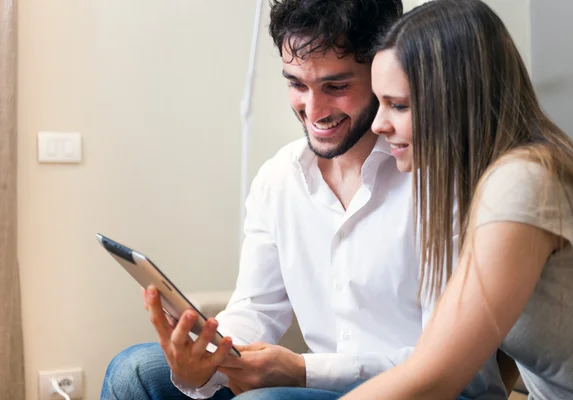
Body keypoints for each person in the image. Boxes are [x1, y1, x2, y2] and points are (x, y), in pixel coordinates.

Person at [100, 1, 507, 399]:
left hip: (430, 392)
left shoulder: (442, 179)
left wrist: (303, 372)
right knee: (133, 371)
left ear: (385, 68)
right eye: (296, 84)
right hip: (313, 386)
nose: (313, 110)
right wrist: (206, 360)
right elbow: (255, 311)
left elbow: (452, 367)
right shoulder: (279, 179)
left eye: (336, 86)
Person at [341, 0, 573, 399]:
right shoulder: (501, 178)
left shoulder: (523, 181)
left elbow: (434, 378)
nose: (378, 124)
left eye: (400, 105)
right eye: (380, 103)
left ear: (457, 97)